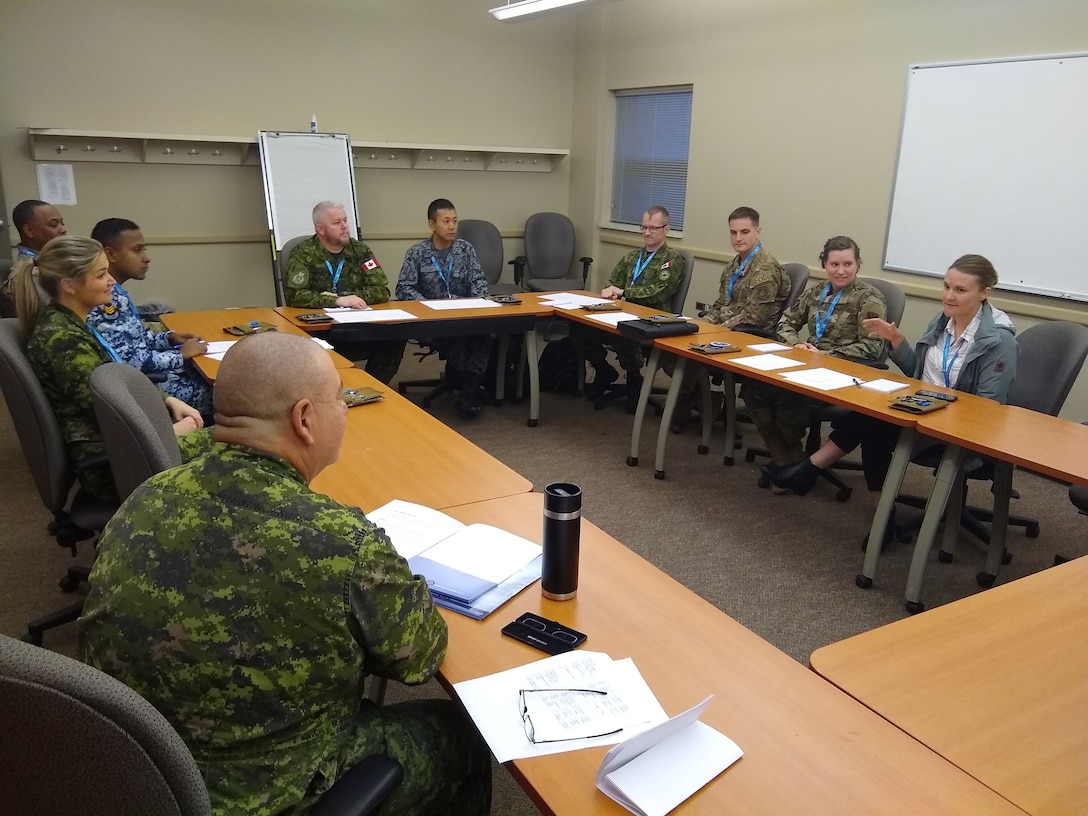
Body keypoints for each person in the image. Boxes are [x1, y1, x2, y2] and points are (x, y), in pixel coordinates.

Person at [79, 331, 491, 816]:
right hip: (263, 794)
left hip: (136, 772)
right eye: (340, 399)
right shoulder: (342, 542)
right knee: (458, 733)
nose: (344, 410)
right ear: (304, 419)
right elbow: (418, 658)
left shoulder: (144, 496)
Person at [763, 254, 1018, 503]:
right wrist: (896, 341)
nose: (949, 296)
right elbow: (919, 373)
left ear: (984, 293)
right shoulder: (944, 322)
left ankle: (813, 474)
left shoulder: (999, 341)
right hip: (927, 407)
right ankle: (875, 509)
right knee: (870, 414)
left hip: (959, 427)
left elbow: (986, 408)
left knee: (873, 425)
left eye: (960, 290)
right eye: (946, 286)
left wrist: (931, 405)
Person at [13, 236, 204, 503]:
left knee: (227, 439)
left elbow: (111, 391)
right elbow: (109, 410)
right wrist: (171, 431)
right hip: (117, 461)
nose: (111, 281)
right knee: (233, 447)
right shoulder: (63, 341)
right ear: (69, 286)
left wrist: (168, 401)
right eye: (101, 275)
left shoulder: (73, 323)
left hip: (122, 445)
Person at [743, 236, 886, 479]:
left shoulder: (869, 299)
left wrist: (825, 356)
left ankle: (791, 464)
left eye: (848, 264)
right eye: (834, 264)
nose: (841, 271)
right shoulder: (817, 292)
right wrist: (796, 344)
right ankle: (785, 457)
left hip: (843, 374)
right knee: (754, 385)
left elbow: (872, 347)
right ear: (825, 264)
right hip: (807, 365)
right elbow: (786, 321)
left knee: (789, 396)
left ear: (858, 264)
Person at [670, 206, 789, 431]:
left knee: (691, 354)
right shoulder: (735, 265)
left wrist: (714, 329)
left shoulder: (765, 269)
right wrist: (702, 325)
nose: (738, 238)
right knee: (679, 343)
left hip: (752, 339)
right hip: (729, 331)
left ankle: (691, 406)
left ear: (758, 232)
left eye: (744, 232)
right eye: (733, 232)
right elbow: (721, 305)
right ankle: (703, 403)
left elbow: (755, 318)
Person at [87, 218, 213, 418]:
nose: (146, 258)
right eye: (137, 250)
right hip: (145, 386)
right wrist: (180, 356)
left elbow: (136, 339)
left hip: (148, 377)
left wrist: (170, 338)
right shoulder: (104, 300)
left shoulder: (115, 292)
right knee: (223, 392)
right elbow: (127, 360)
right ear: (110, 254)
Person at [571, 205, 686, 411]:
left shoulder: (672, 260)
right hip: (620, 311)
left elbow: (659, 292)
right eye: (644, 228)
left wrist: (624, 293)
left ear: (666, 229)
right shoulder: (631, 258)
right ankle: (603, 369)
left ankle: (634, 379)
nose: (647, 232)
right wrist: (610, 291)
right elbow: (612, 282)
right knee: (579, 325)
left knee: (622, 330)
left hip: (653, 319)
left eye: (653, 228)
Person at [284, 201, 404, 384]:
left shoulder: (360, 251)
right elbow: (295, 296)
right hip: (322, 329)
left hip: (358, 325)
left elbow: (381, 290)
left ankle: (371, 386)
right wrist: (338, 300)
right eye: (337, 222)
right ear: (321, 229)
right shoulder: (303, 253)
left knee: (394, 338)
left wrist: (347, 298)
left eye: (345, 221)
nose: (344, 226)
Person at [396, 198, 492, 418]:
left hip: (464, 313)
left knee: (483, 333)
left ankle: (468, 391)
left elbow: (479, 282)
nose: (452, 227)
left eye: (455, 221)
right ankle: (461, 382)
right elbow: (404, 288)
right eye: (446, 221)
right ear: (432, 224)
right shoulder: (417, 253)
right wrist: (427, 305)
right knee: (461, 336)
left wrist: (475, 302)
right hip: (433, 319)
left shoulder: (465, 249)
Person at [1, 200, 69, 312]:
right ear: (29, 231)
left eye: (62, 223)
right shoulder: (28, 274)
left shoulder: (52, 261)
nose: (63, 230)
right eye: (53, 224)